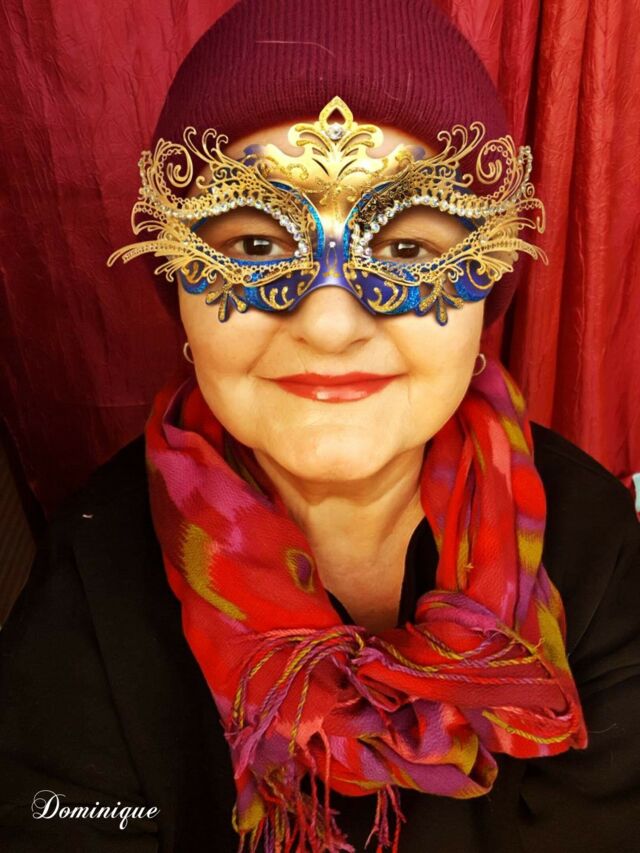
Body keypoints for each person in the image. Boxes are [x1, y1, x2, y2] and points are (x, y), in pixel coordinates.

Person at [1, 1, 639, 851]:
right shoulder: (94, 584)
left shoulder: (591, 548)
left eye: (407, 250)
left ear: (487, 287)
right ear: (178, 286)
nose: (331, 325)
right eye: (256, 247)